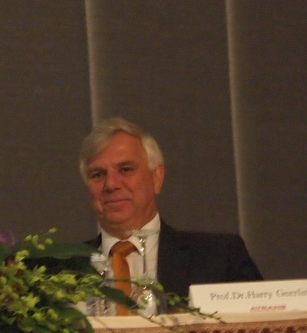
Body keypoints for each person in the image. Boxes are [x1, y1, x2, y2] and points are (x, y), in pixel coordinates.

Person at [79, 117, 263, 302]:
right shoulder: (65, 268)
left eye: (126, 170)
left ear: (157, 178)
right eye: (98, 174)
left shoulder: (220, 258)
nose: (111, 184)